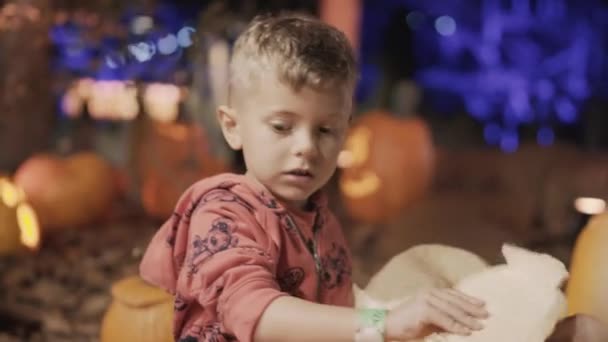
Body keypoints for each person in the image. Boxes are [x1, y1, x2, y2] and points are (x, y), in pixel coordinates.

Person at [139, 12, 489, 342]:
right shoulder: (221, 213)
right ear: (233, 127)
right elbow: (254, 313)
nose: (306, 147)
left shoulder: (323, 223)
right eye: (282, 127)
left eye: (325, 129)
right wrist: (383, 322)